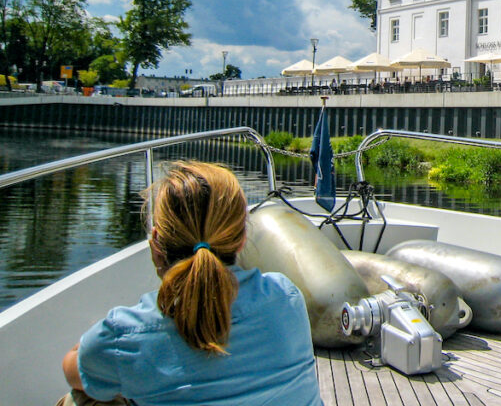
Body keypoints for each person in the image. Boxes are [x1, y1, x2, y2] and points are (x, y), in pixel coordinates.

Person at [58, 161, 323, 406]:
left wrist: (104, 344)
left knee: (82, 397)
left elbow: (72, 369)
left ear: (155, 246)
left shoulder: (127, 334)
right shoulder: (286, 296)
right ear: (242, 239)